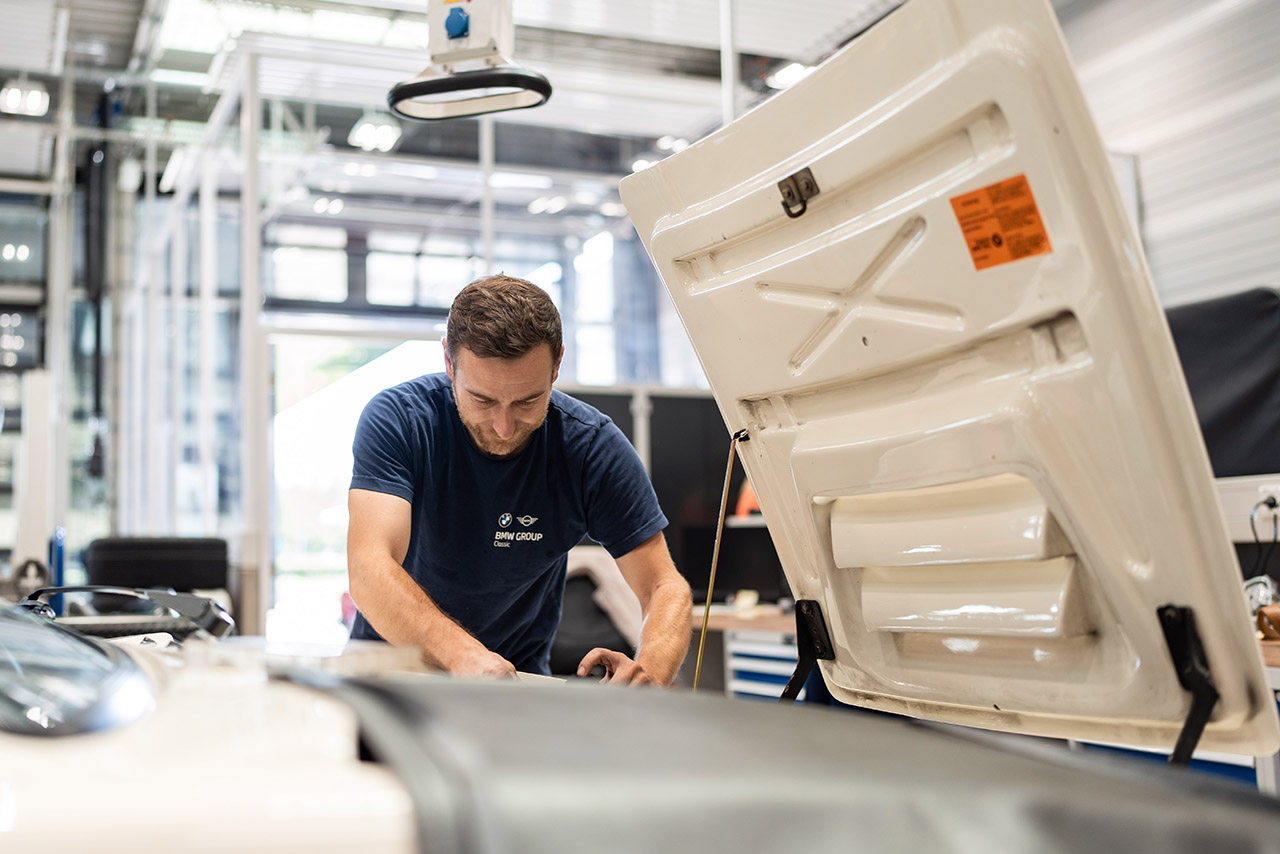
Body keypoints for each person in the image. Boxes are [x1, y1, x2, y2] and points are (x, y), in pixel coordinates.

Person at [346, 274, 692, 685]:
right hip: (391, 675)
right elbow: (369, 567)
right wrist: (465, 657)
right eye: (483, 399)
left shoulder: (589, 447)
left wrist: (648, 671)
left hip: (517, 683)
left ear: (557, 364)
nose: (505, 427)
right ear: (448, 361)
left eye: (528, 400)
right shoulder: (399, 421)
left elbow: (664, 585)